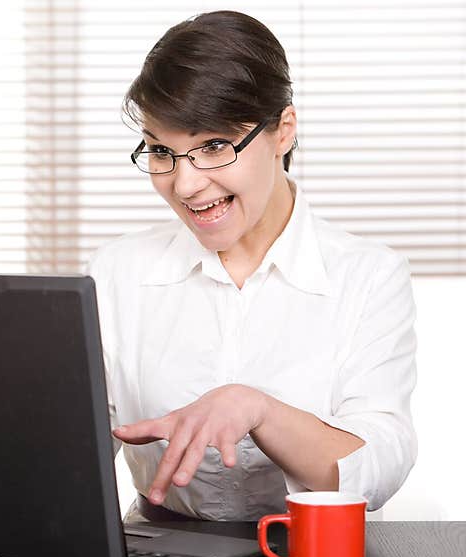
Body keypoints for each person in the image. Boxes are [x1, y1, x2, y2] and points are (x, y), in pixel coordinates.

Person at [86, 10, 417, 523]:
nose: (185, 184)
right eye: (160, 151)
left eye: (214, 146)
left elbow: (378, 464)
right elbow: (73, 448)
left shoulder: (368, 275)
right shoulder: (117, 273)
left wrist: (258, 409)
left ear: (283, 130)